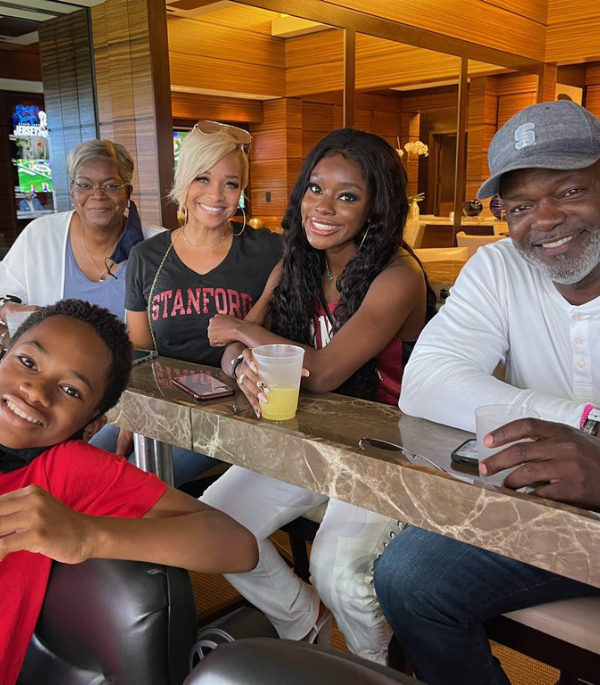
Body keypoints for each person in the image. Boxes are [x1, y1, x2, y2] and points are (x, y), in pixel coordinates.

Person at [374, 100, 600, 685]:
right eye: (520, 205)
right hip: (548, 509)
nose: (543, 220)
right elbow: (424, 384)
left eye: (571, 190)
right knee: (408, 574)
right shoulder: (500, 267)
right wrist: (582, 423)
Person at [203, 128, 435, 664]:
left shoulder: (397, 277)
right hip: (312, 438)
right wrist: (241, 364)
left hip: (387, 450)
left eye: (347, 195)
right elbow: (229, 351)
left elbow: (325, 371)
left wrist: (242, 331)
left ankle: (368, 667)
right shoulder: (298, 263)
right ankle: (301, 619)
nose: (323, 207)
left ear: (378, 207)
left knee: (335, 566)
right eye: (314, 188)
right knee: (214, 522)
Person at [0, 299, 258, 685]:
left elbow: (237, 545)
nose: (36, 391)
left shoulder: (61, 472)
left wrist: (87, 535)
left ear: (91, 425)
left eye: (71, 390)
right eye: (28, 363)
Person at [91, 120, 282, 487]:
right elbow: (139, 352)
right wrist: (133, 412)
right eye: (203, 179)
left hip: (230, 412)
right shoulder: (148, 256)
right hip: (161, 403)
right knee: (79, 467)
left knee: (128, 487)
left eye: (231, 184)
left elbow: (303, 267)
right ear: (184, 181)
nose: (216, 195)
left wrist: (262, 305)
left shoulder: (267, 250)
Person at [0, 139, 162, 324]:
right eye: (85, 185)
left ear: (128, 193)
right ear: (72, 191)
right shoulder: (40, 235)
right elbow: (3, 292)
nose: (98, 195)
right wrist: (7, 309)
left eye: (111, 185)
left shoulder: (159, 245)